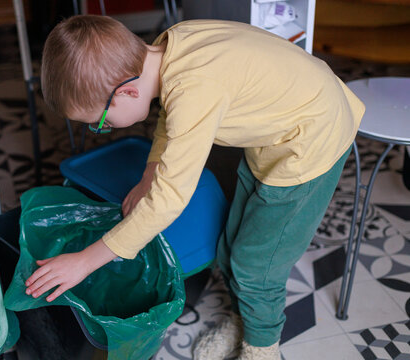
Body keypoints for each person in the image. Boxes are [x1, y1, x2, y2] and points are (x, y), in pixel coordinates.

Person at [24, 15, 365, 360]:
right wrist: (150, 173)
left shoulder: (193, 90)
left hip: (310, 141)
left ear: (127, 91)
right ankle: (242, 321)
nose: (106, 128)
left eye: (102, 122)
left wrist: (85, 261)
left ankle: (262, 347)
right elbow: (170, 118)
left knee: (256, 264)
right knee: (231, 245)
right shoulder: (163, 52)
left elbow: (170, 199)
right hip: (278, 128)